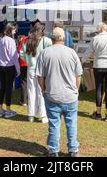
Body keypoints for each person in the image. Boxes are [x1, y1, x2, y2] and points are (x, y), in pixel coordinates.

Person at [36, 27, 83, 157]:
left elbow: (39, 76)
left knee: (54, 124)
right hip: (70, 96)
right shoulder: (72, 53)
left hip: (52, 95)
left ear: (52, 39)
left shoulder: (45, 53)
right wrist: (76, 90)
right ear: (64, 38)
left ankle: (53, 151)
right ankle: (73, 150)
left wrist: (43, 89)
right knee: (71, 124)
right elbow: (78, 75)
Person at [20, 22, 52, 123]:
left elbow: (21, 54)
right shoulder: (46, 40)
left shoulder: (27, 40)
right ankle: (43, 116)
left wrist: (29, 61)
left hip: (31, 68)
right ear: (42, 30)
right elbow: (49, 53)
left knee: (31, 91)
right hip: (41, 69)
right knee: (41, 92)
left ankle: (31, 115)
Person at [0, 23, 20, 119]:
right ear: (10, 30)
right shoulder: (10, 40)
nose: (15, 31)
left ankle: (0, 110)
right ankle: (8, 110)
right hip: (9, 67)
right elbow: (14, 56)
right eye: (14, 29)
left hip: (0, 66)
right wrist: (18, 69)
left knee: (2, 87)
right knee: (8, 88)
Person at [17, 35, 28, 106]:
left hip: (24, 64)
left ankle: (24, 101)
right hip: (31, 64)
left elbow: (18, 51)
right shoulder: (29, 39)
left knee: (24, 82)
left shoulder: (23, 40)